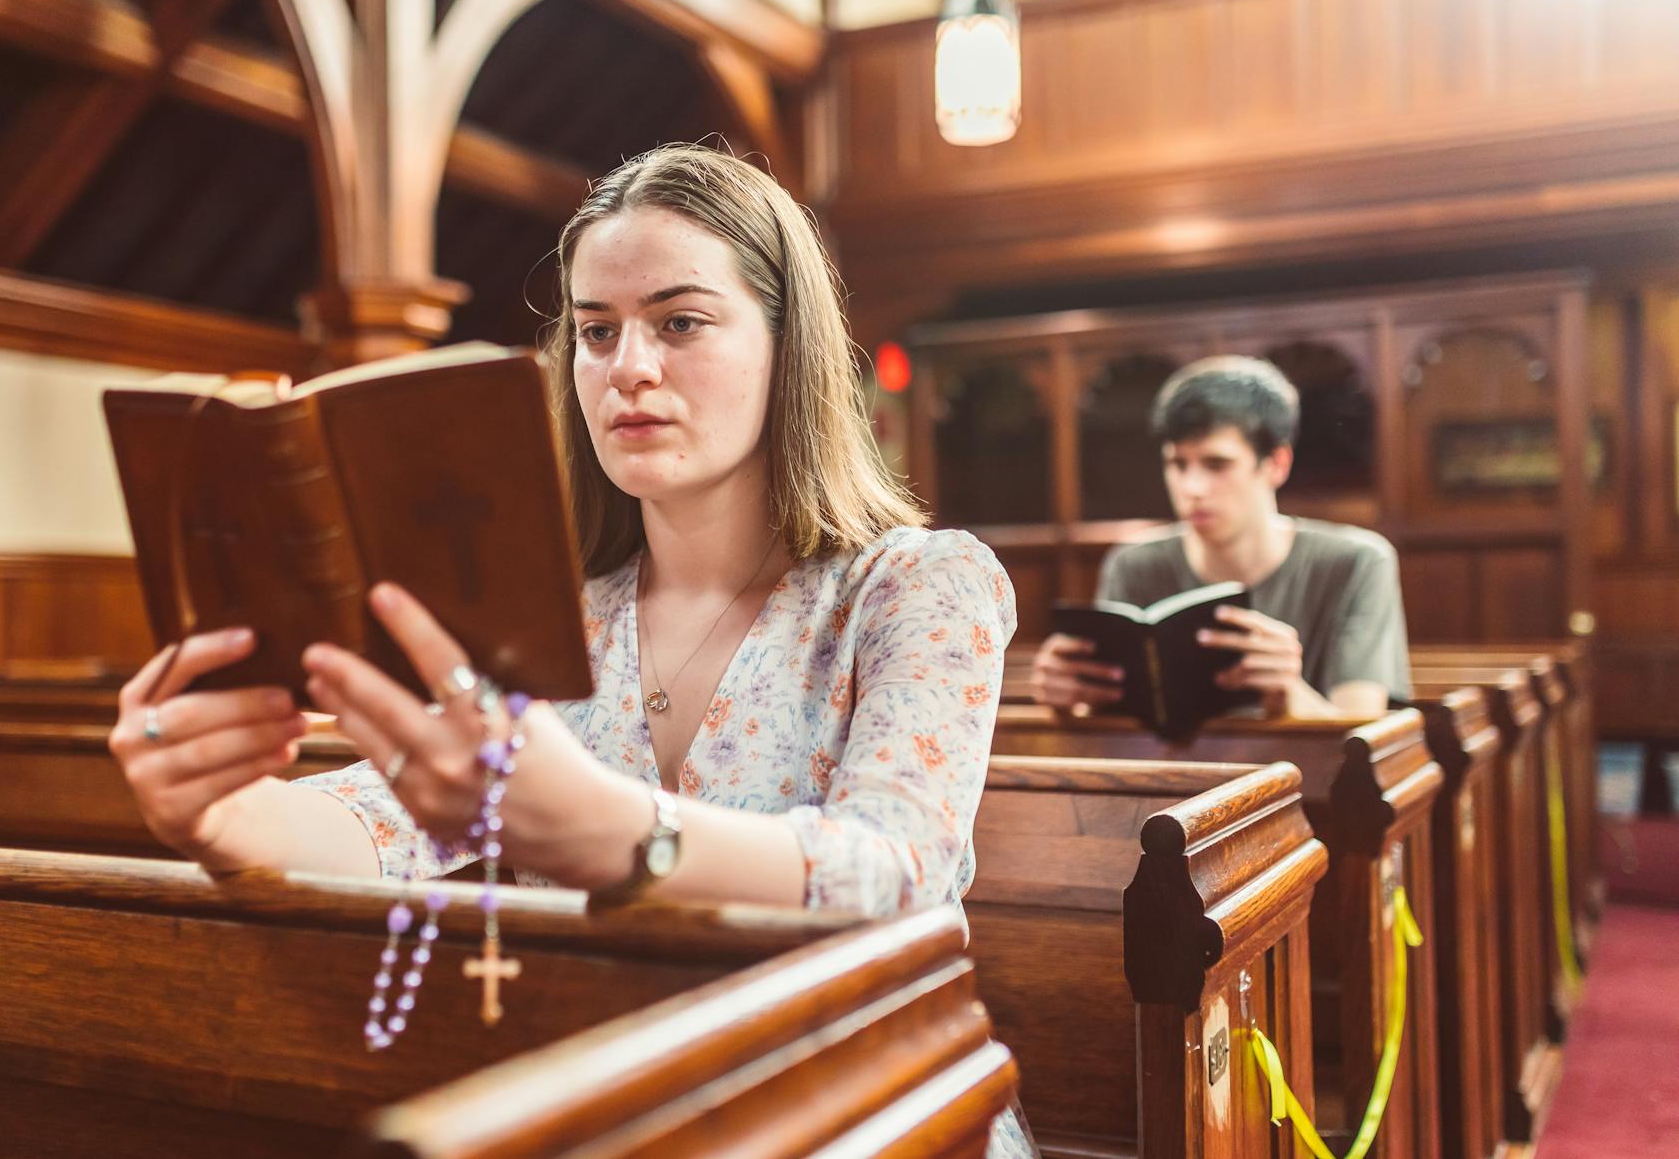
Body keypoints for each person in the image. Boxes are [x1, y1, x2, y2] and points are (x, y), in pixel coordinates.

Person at [107, 143, 1016, 926]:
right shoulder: (553, 618)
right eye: (595, 331)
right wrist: (216, 814)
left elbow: (897, 873)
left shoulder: (917, 587)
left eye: (680, 322)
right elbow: (379, 823)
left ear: (789, 346)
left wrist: (614, 831)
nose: (628, 368)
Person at [1032, 355, 1409, 719]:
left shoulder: (1359, 561)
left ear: (1277, 464)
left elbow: (1363, 738)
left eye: (1217, 465)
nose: (1192, 487)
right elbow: (1114, 727)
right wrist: (1069, 702)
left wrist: (1289, 692)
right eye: (1177, 464)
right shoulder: (1132, 564)